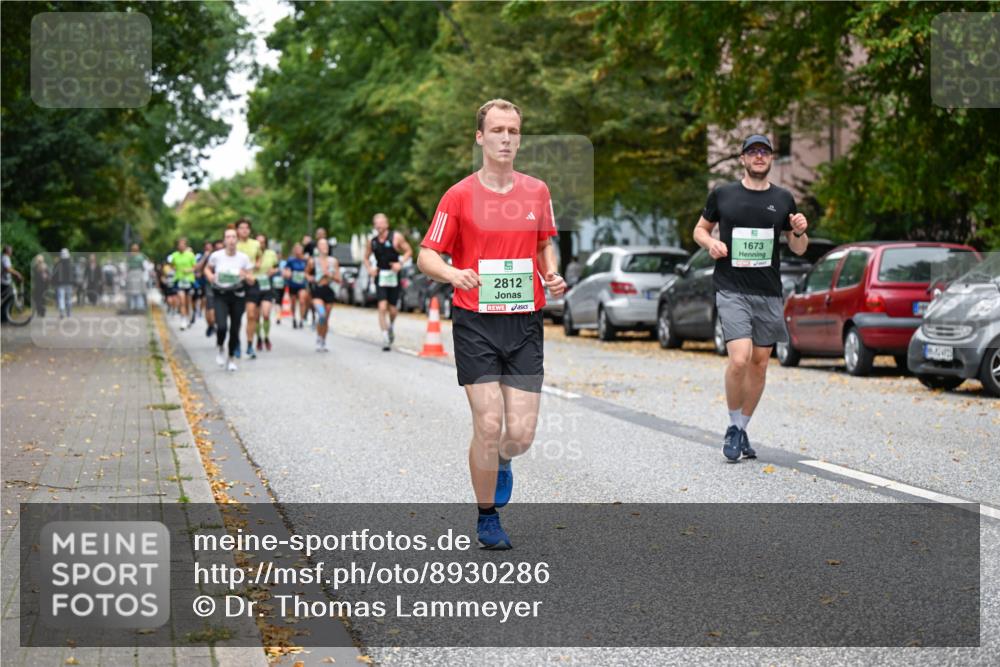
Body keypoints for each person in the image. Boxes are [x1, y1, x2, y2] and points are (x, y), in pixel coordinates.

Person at [417, 99, 565, 550]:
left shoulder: (537, 191)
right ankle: (487, 517)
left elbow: (544, 246)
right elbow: (427, 255)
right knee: (487, 422)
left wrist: (551, 273)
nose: (505, 138)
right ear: (480, 137)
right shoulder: (458, 195)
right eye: (497, 130)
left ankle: (503, 459)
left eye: (513, 131)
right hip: (475, 321)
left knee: (518, 435)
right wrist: (452, 273)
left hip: (524, 322)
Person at [692, 134, 809, 462]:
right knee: (740, 359)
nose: (759, 156)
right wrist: (710, 244)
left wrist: (799, 231)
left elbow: (798, 246)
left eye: (765, 152)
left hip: (768, 291)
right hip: (731, 287)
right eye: (753, 152)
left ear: (771, 159)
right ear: (743, 159)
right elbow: (699, 229)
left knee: (759, 364)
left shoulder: (784, 199)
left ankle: (743, 428)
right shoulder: (723, 194)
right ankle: (732, 425)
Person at [204, 225, 254, 371]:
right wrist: (210, 276)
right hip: (221, 294)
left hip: (237, 295)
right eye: (228, 237)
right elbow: (207, 268)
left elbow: (251, 278)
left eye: (233, 237)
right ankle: (220, 347)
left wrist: (245, 275)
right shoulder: (216, 256)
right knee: (222, 327)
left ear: (237, 240)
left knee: (234, 329)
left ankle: (231, 358)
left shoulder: (243, 258)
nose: (231, 240)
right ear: (224, 240)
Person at [364, 213, 413, 351]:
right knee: (382, 306)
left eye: (381, 223)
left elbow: (409, 251)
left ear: (387, 224)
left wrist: (400, 263)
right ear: (374, 225)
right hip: (380, 275)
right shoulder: (372, 242)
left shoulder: (396, 237)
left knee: (392, 309)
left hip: (393, 275)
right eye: (376, 223)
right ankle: (385, 337)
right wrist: (370, 269)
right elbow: (366, 258)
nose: (379, 225)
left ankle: (390, 326)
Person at [307, 238, 341, 352]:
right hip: (318, 290)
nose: (324, 247)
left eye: (326, 245)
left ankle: (323, 340)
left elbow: (339, 279)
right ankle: (318, 337)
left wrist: (330, 276)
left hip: (329, 290)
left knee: (326, 318)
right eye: (322, 245)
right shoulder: (313, 261)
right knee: (321, 314)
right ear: (318, 247)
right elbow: (306, 273)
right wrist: (310, 278)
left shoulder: (333, 261)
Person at [235, 219, 262, 359]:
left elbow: (259, 259)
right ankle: (237, 344)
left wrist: (256, 265)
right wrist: (244, 275)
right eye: (241, 227)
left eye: (247, 228)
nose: (244, 230)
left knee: (252, 315)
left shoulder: (256, 244)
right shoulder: (234, 245)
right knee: (237, 316)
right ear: (237, 230)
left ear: (250, 230)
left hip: (253, 282)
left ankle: (250, 345)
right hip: (238, 283)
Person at [253, 233, 279, 351]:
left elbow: (277, 267)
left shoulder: (271, 254)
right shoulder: (251, 254)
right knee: (256, 316)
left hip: (267, 286)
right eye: (258, 242)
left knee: (266, 314)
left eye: (262, 242)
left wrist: (272, 271)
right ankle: (258, 338)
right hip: (254, 285)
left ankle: (266, 337)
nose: (260, 244)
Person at [168, 238, 197, 330]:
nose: (181, 246)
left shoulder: (190, 255)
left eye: (183, 244)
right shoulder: (174, 255)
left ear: (185, 245)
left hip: (189, 280)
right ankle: (183, 320)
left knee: (188, 301)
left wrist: (189, 270)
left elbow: (195, 267)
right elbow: (172, 265)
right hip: (179, 280)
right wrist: (175, 269)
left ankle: (188, 317)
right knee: (182, 300)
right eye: (179, 244)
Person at [283, 243, 310, 329]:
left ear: (302, 250)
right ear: (294, 251)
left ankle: (301, 319)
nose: (298, 251)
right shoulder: (291, 260)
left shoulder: (305, 260)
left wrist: (307, 276)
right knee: (293, 302)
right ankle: (294, 318)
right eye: (296, 249)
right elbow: (286, 270)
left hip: (302, 284)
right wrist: (288, 273)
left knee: (302, 300)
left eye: (300, 249)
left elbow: (308, 271)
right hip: (293, 284)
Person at [1, 245, 25, 321]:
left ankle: (4, 317)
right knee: (9, 298)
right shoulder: (5, 258)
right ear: (7, 251)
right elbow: (7, 269)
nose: (12, 252)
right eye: (11, 250)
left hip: (4, 281)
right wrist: (17, 274)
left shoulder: (3, 257)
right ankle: (5, 318)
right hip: (4, 282)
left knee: (5, 299)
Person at [53, 249, 75, 318]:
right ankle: (69, 313)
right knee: (68, 298)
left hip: (60, 284)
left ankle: (62, 312)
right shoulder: (71, 264)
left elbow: (54, 274)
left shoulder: (58, 264)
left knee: (61, 298)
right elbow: (73, 275)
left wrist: (54, 282)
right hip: (69, 284)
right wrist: (74, 283)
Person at [126, 243, 148, 312]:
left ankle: (134, 306)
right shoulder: (141, 256)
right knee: (139, 290)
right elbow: (144, 266)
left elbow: (127, 266)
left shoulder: (129, 256)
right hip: (138, 273)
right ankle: (138, 306)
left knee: (133, 291)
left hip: (132, 273)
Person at [31, 254, 49, 318]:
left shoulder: (35, 267)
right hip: (44, 286)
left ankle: (39, 311)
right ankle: (42, 311)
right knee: (42, 299)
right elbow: (48, 277)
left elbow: (34, 277)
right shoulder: (45, 266)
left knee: (37, 299)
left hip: (38, 286)